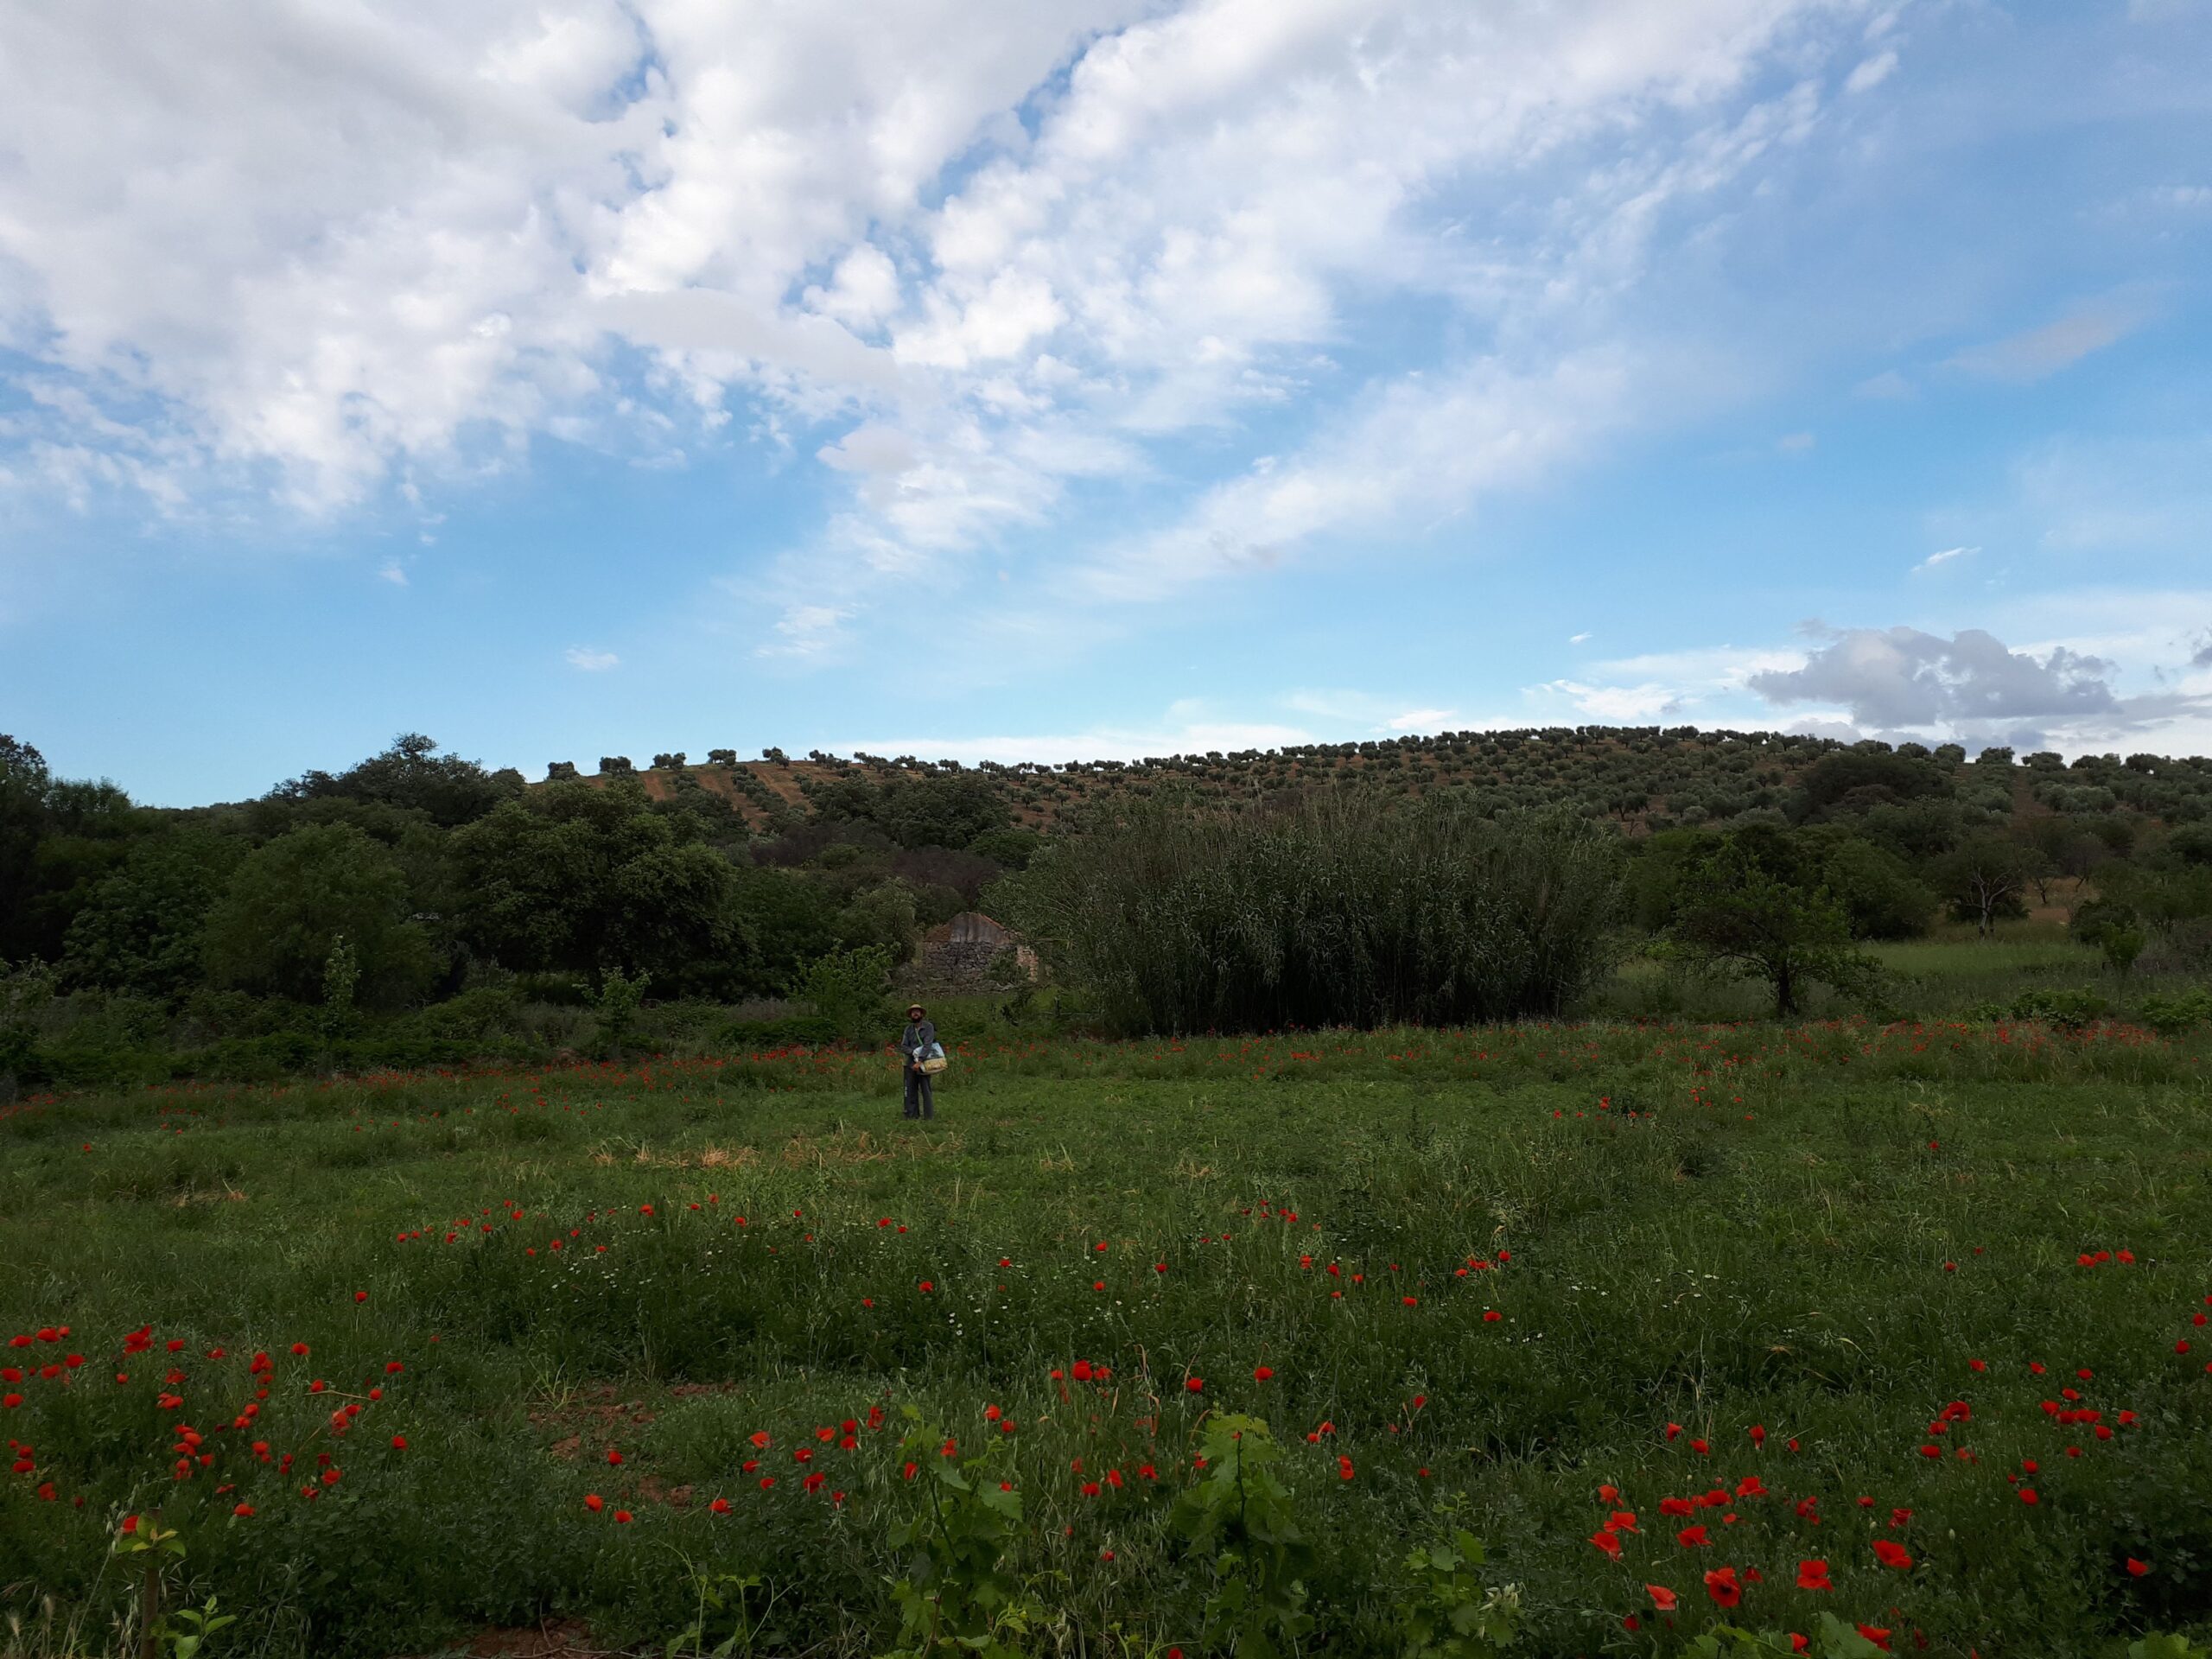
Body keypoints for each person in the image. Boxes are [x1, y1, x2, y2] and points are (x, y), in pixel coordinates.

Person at [899, 1002, 938, 1120]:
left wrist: (920, 1060)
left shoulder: (928, 1027)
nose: (915, 1013)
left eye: (917, 1011)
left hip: (925, 1062)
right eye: (913, 1012)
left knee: (925, 1089)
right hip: (910, 1062)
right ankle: (911, 1115)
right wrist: (914, 1053)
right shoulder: (908, 1029)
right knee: (910, 1089)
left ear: (921, 1014)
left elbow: (928, 1045)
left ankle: (928, 1116)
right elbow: (904, 1046)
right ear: (911, 1015)